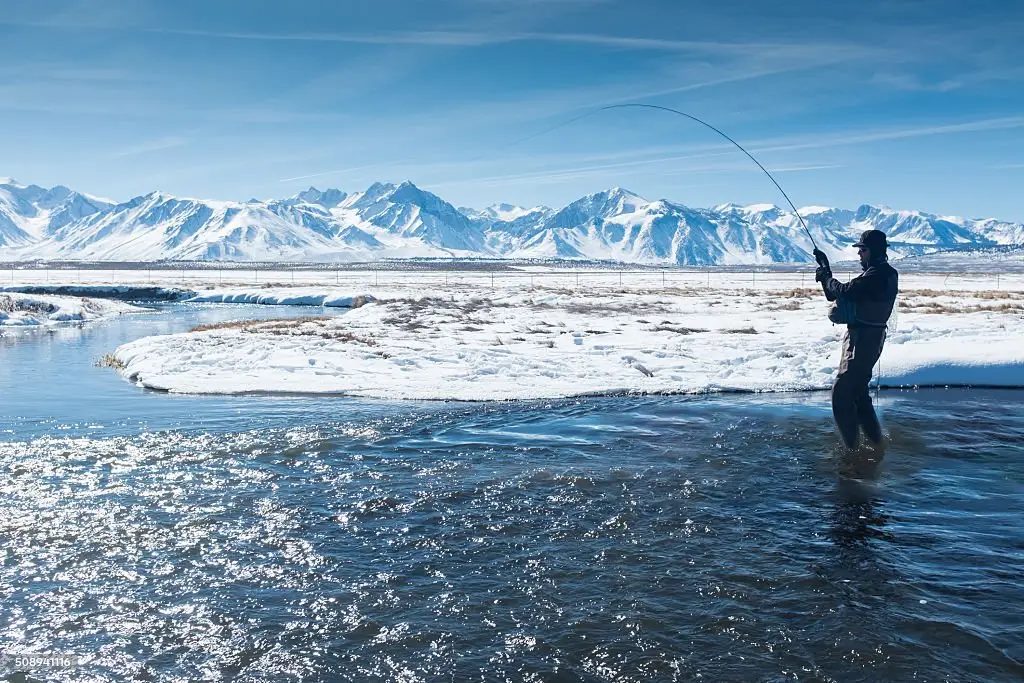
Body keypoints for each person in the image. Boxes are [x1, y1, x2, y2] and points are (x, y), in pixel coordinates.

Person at [813, 230, 899, 450]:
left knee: (841, 393)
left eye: (863, 249)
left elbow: (845, 291)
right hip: (863, 337)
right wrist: (826, 273)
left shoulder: (879, 275)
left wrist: (827, 277)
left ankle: (851, 451)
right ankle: (874, 444)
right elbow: (835, 294)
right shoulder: (878, 273)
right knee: (859, 395)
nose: (859, 254)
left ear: (875, 251)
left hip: (863, 341)